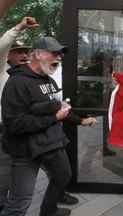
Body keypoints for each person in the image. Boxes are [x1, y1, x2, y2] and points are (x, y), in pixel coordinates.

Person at [0, 36, 96, 216]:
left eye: (60, 54)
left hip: (51, 144)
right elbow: (14, 125)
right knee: (20, 201)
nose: (59, 57)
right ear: (36, 54)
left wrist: (81, 120)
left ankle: (49, 211)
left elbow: (61, 108)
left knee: (63, 177)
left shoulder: (49, 81)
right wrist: (53, 117)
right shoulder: (17, 83)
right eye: (54, 53)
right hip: (25, 151)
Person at [0, 16, 38, 212]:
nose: (23, 55)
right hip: (4, 133)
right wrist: (19, 27)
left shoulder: (27, 75)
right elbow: (2, 45)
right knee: (3, 179)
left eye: (25, 51)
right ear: (7, 55)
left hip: (24, 134)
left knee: (20, 183)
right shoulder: (2, 70)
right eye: (18, 52)